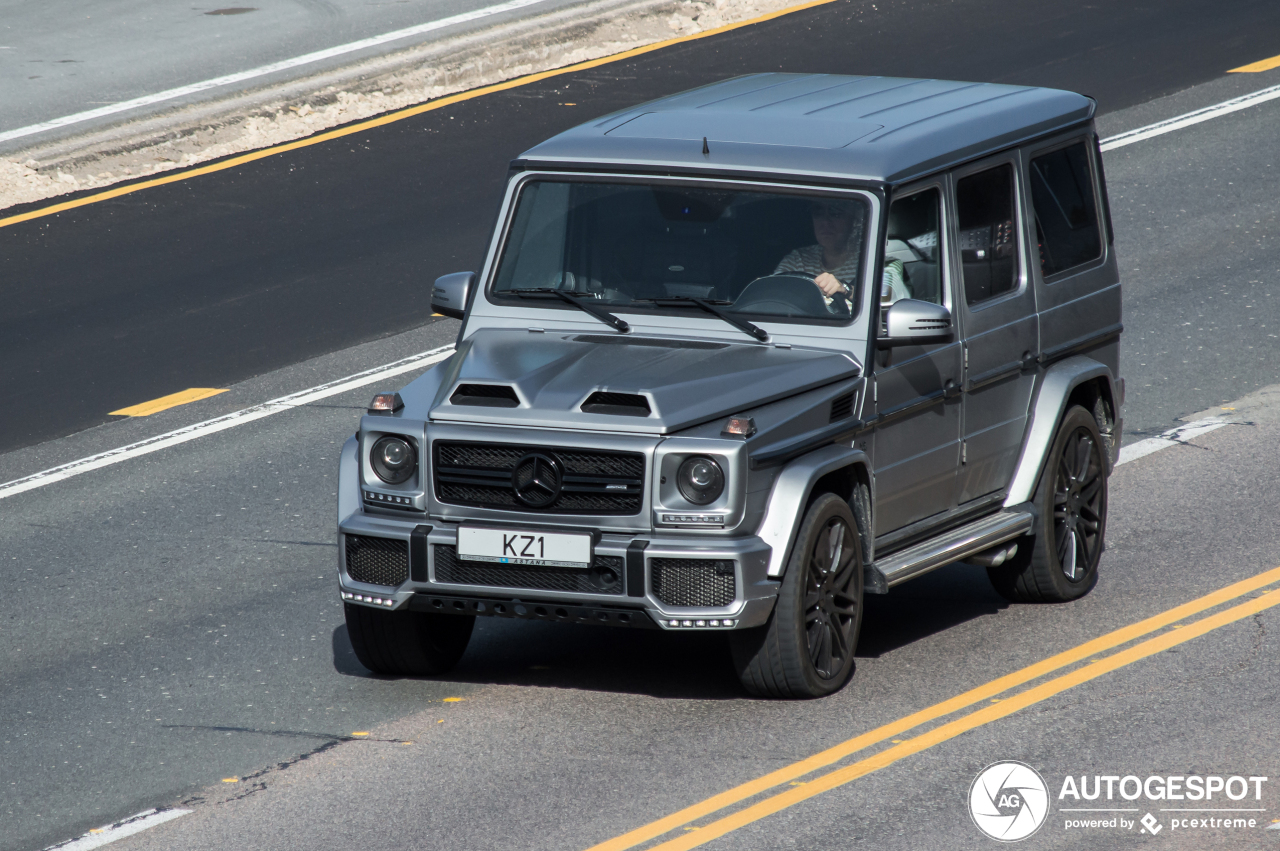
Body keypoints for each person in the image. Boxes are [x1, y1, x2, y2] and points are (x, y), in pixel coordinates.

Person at [773, 200, 910, 311]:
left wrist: (846, 290)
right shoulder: (798, 258)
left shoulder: (879, 260)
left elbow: (886, 301)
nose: (825, 222)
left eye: (836, 214)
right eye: (818, 213)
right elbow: (773, 295)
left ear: (855, 221)